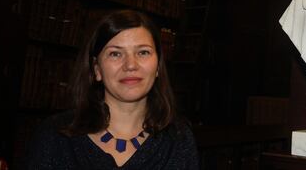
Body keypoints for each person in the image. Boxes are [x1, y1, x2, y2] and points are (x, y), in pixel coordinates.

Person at [26, 10, 199, 169]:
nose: (131, 65)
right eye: (115, 53)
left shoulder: (179, 140)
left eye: (143, 52)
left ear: (158, 66)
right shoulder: (54, 137)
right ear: (97, 69)